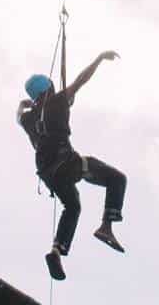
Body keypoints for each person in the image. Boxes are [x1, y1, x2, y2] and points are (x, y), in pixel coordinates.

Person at [17, 51, 128, 281]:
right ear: (48, 88)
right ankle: (106, 226)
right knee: (117, 179)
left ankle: (56, 251)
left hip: (48, 174)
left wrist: (22, 104)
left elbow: (18, 116)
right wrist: (98, 59)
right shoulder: (57, 101)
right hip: (66, 163)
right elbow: (81, 81)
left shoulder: (28, 119)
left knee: (73, 207)